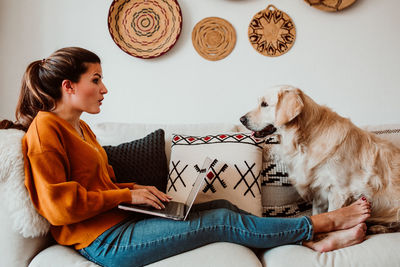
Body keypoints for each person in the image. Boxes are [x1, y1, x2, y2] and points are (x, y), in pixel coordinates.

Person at [0, 47, 371, 267]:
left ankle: (304, 242)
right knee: (222, 220)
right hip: (104, 242)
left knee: (221, 202)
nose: (104, 88)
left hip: (119, 221)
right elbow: (59, 208)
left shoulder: (81, 128)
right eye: (95, 79)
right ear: (69, 86)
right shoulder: (45, 130)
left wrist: (139, 190)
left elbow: (101, 185)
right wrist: (128, 196)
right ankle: (322, 224)